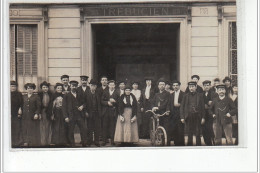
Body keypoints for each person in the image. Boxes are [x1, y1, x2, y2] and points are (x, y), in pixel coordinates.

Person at [62, 80, 87, 147]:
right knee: (71, 131)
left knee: (84, 129)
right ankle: (72, 144)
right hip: (71, 116)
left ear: (77, 86)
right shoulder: (66, 95)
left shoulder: (80, 94)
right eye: (72, 86)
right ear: (70, 86)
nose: (74, 87)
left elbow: (85, 103)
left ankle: (84, 143)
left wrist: (82, 106)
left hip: (79, 116)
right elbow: (64, 107)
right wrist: (66, 117)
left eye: (75, 86)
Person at [180, 81, 205, 146]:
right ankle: (189, 146)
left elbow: (203, 108)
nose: (191, 88)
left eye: (193, 86)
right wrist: (182, 117)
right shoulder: (185, 96)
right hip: (188, 116)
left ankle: (198, 146)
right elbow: (182, 107)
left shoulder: (200, 96)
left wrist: (203, 117)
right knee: (189, 133)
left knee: (197, 133)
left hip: (197, 116)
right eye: (190, 87)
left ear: (196, 87)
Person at [21, 83, 41, 147]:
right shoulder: (23, 96)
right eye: (28, 88)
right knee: (25, 128)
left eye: (31, 88)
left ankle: (32, 142)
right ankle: (26, 141)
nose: (30, 90)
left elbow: (39, 106)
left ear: (33, 89)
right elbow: (21, 105)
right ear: (26, 89)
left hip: (32, 116)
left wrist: (36, 113)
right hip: (25, 115)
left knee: (33, 128)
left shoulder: (36, 97)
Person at [151, 79, 171, 146]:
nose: (161, 86)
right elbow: (153, 103)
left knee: (166, 128)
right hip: (157, 113)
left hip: (165, 113)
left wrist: (166, 110)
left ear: (165, 86)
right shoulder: (156, 94)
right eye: (160, 84)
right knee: (158, 127)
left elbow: (167, 103)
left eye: (163, 84)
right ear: (158, 86)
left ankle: (167, 144)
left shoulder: (168, 94)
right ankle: (160, 141)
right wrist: (153, 108)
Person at [101, 80, 120, 146]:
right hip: (106, 111)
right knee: (105, 126)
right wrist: (107, 103)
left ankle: (112, 140)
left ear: (114, 86)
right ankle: (104, 141)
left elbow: (119, 103)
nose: (112, 86)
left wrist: (115, 101)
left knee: (112, 126)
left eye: (113, 85)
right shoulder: (105, 92)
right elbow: (102, 101)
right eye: (110, 85)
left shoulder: (117, 93)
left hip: (113, 112)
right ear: (108, 85)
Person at [85, 79, 102, 147]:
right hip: (89, 114)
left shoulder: (98, 94)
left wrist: (99, 113)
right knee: (89, 128)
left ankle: (96, 141)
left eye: (94, 86)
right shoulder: (86, 93)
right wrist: (85, 112)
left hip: (97, 114)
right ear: (89, 86)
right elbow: (84, 103)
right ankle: (89, 141)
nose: (93, 87)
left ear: (96, 87)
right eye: (92, 85)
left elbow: (99, 104)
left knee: (97, 128)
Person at [168, 80, 185, 146]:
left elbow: (185, 104)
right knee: (174, 129)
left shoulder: (183, 94)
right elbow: (169, 104)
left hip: (180, 113)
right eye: (174, 85)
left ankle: (181, 144)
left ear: (179, 86)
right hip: (173, 114)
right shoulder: (171, 95)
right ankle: (176, 143)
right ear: (172, 86)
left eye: (177, 85)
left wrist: (180, 104)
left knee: (180, 129)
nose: (175, 87)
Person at [38, 81, 53, 146]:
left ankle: (48, 142)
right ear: (41, 88)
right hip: (42, 112)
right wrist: (39, 113)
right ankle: (43, 142)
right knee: (42, 127)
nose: (45, 88)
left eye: (46, 87)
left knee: (49, 127)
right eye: (43, 87)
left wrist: (52, 113)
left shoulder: (51, 94)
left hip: (49, 112)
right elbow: (38, 105)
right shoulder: (39, 95)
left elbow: (52, 104)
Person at [201, 80, 215, 146]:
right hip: (203, 114)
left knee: (210, 129)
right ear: (203, 86)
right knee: (204, 129)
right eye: (205, 85)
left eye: (208, 85)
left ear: (210, 86)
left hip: (211, 114)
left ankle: (213, 143)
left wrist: (210, 104)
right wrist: (204, 105)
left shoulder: (214, 93)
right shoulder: (201, 94)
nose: (206, 86)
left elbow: (216, 103)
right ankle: (207, 143)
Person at [10, 81, 23, 147]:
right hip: (9, 114)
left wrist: (20, 109)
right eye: (12, 86)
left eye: (14, 86)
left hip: (17, 113)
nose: (13, 88)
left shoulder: (19, 94)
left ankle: (17, 142)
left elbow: (21, 103)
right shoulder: (6, 93)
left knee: (17, 127)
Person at [97, 76, 109, 142]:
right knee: (99, 123)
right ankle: (100, 136)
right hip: (99, 108)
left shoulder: (109, 89)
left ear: (107, 82)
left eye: (105, 80)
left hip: (107, 108)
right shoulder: (98, 89)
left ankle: (106, 137)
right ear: (101, 81)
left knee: (106, 124)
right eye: (103, 80)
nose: (104, 81)